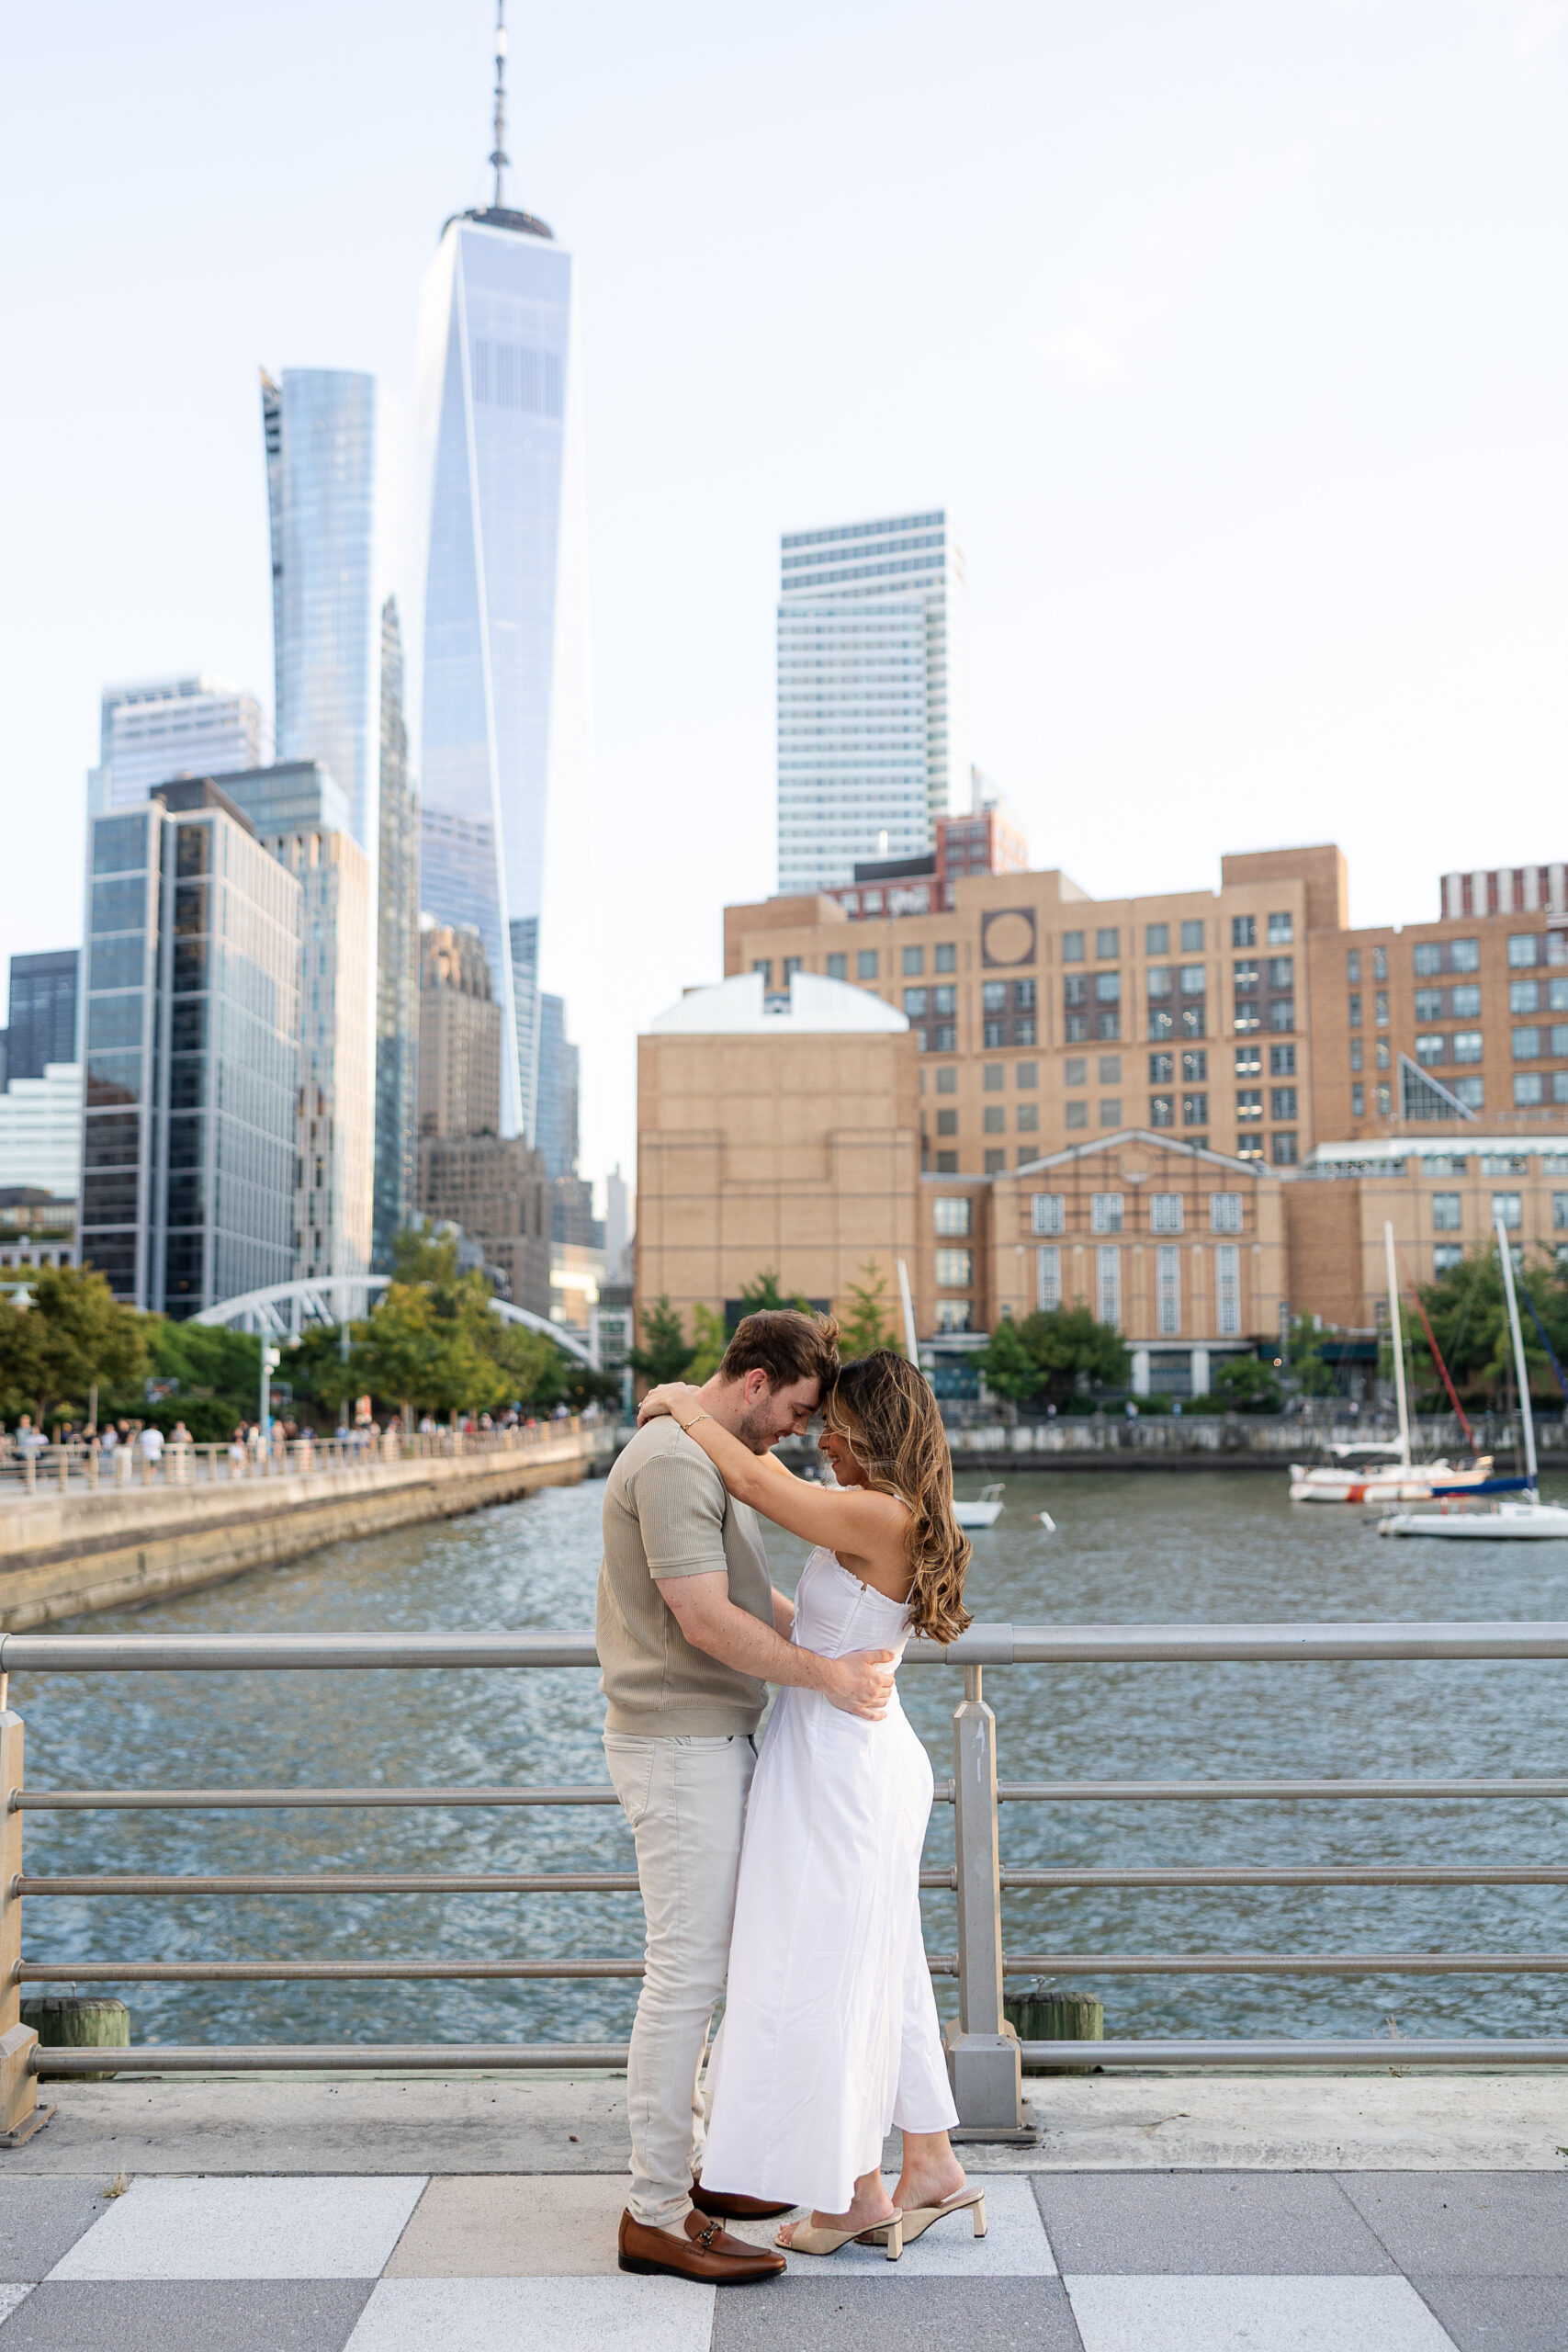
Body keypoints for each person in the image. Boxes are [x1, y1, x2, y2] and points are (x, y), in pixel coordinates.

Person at [637, 1350, 982, 2262]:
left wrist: (679, 1401)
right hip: (839, 1753)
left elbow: (752, 1479)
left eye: (833, 1426)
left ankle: (851, 2194)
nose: (821, 1438)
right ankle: (919, 2169)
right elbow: (823, 1622)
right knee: (875, 1966)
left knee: (823, 1972)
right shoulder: (885, 1513)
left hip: (840, 1767)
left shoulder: (876, 1511)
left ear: (871, 1431)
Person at [598, 1309, 896, 2288]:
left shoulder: (700, 1454)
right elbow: (702, 1618)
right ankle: (654, 2211)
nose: (795, 1433)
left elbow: (745, 1600)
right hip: (679, 1744)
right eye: (797, 1411)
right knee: (684, 1978)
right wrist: (827, 1676)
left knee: (707, 1966)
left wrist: (822, 1655)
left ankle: (691, 2176)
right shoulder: (678, 1463)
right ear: (758, 1380)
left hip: (704, 1739)